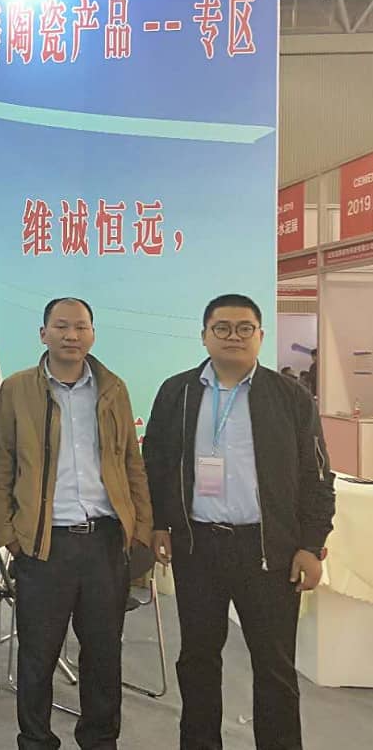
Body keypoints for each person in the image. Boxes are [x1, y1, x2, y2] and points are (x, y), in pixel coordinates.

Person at [143, 294, 336, 750]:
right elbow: (157, 462)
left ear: (260, 336)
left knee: (275, 667)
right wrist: (160, 523)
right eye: (222, 328)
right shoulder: (178, 392)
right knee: (197, 660)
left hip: (268, 551)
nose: (234, 336)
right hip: (198, 548)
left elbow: (317, 476)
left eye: (244, 328)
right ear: (204, 335)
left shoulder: (289, 396)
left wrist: (311, 544)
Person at [0, 297, 153, 750]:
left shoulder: (113, 388)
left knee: (103, 653)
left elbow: (131, 461)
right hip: (44, 545)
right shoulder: (17, 389)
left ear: (92, 334)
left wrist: (140, 527)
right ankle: (36, 740)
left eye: (80, 327)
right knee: (37, 655)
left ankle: (99, 740)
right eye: (61, 326)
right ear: (43, 334)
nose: (71, 335)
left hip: (104, 542)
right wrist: (6, 534)